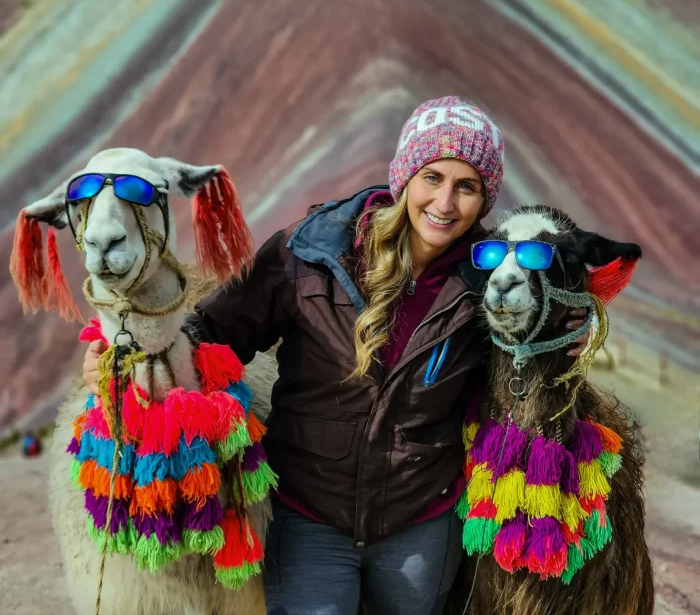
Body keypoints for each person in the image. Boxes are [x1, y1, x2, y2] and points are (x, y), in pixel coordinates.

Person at [83, 96, 589, 615]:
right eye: (433, 177)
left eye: (467, 187)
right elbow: (212, 331)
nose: (445, 203)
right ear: (405, 178)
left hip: (419, 527)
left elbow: (526, 346)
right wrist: (128, 350)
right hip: (310, 520)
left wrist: (574, 327)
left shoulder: (487, 281)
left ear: (484, 200)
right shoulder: (309, 254)